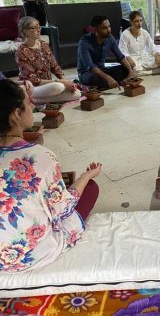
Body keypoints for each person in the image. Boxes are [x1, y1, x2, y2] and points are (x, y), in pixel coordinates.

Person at [0, 79, 101, 272]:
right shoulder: (40, 157)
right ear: (16, 115)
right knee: (90, 189)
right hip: (31, 255)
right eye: (28, 103)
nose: (32, 106)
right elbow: (63, 209)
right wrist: (85, 176)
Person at [15, 16, 81, 104]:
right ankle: (31, 98)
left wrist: (65, 81)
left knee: (77, 93)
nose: (38, 30)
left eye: (39, 27)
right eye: (34, 28)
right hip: (32, 87)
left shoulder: (43, 44)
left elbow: (55, 66)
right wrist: (60, 82)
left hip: (48, 85)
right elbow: (34, 80)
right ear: (25, 31)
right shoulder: (21, 51)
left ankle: (34, 101)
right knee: (58, 87)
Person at [77, 15, 135, 90]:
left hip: (102, 70)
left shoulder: (110, 37)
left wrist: (130, 71)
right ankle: (113, 83)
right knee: (93, 79)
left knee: (126, 69)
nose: (109, 30)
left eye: (109, 26)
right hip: (87, 73)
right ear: (95, 29)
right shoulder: (84, 43)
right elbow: (91, 67)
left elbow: (120, 57)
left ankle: (104, 85)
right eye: (105, 28)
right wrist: (108, 78)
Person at [119, 11, 160, 75]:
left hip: (143, 58)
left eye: (140, 20)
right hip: (132, 60)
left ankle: (143, 71)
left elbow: (152, 46)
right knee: (133, 68)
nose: (140, 24)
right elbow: (122, 51)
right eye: (136, 21)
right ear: (131, 22)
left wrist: (157, 54)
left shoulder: (144, 32)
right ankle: (154, 71)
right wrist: (128, 57)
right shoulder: (125, 34)